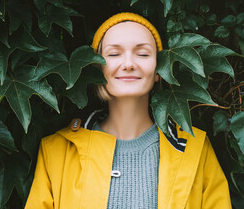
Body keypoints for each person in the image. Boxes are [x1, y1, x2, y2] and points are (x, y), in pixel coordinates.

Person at [24, 12, 231, 208]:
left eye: (142, 53)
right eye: (114, 53)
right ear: (97, 67)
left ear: (158, 70)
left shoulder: (196, 149)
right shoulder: (56, 151)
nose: (129, 64)